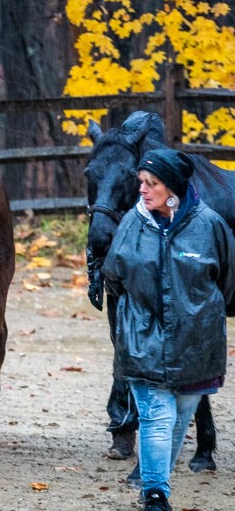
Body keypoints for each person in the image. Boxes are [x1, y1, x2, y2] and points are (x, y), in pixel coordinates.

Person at [101, 148, 235, 511]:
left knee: (179, 417)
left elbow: (227, 283)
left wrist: (196, 312)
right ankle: (157, 495)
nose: (142, 190)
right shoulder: (131, 223)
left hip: (197, 345)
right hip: (144, 340)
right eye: (141, 182)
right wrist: (141, 314)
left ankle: (151, 485)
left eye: (152, 183)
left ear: (173, 187)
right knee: (158, 418)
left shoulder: (210, 226)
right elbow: (113, 276)